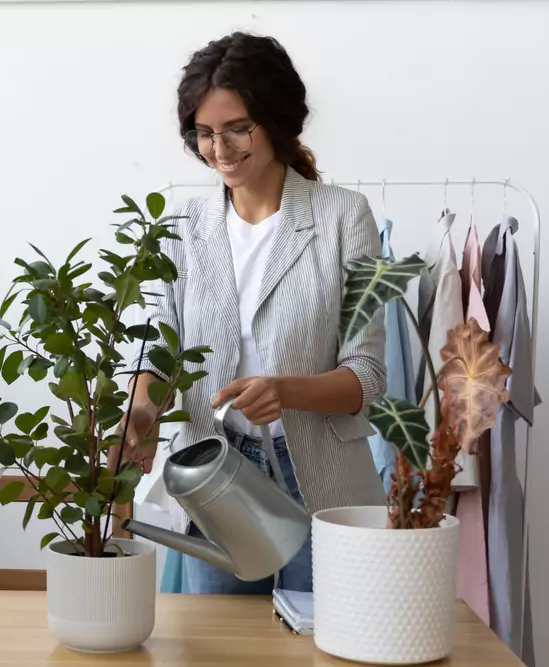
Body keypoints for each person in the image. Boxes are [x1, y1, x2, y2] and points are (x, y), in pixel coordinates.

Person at [118, 32, 386, 594]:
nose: (220, 149)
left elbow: (368, 376)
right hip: (214, 478)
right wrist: (142, 412)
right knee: (219, 650)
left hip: (321, 479)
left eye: (238, 127)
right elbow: (159, 357)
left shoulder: (342, 217)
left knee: (327, 643)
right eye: (205, 133)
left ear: (277, 118)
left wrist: (284, 390)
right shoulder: (181, 230)